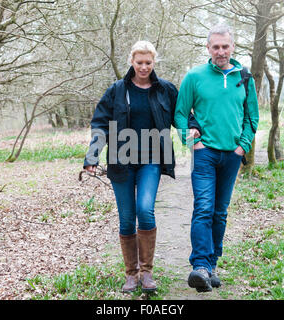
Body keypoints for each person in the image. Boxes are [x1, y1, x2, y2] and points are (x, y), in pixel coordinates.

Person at [83, 41, 200, 293]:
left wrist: (192, 127)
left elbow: (181, 115)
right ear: (131, 62)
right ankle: (131, 275)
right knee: (126, 219)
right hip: (120, 161)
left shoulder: (165, 90)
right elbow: (100, 124)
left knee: (145, 210)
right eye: (139, 62)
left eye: (148, 62)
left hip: (151, 160)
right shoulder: (116, 90)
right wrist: (92, 156)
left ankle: (147, 274)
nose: (144, 67)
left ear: (154, 62)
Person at [174, 24, 259, 292]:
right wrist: (193, 141)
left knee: (220, 213)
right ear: (208, 49)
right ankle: (199, 265)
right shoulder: (195, 76)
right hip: (205, 154)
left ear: (232, 47)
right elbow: (179, 114)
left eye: (225, 46)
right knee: (204, 207)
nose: (220, 51)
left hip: (232, 155)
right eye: (215, 47)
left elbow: (252, 117)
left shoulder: (244, 77)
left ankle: (211, 266)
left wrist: (242, 147)